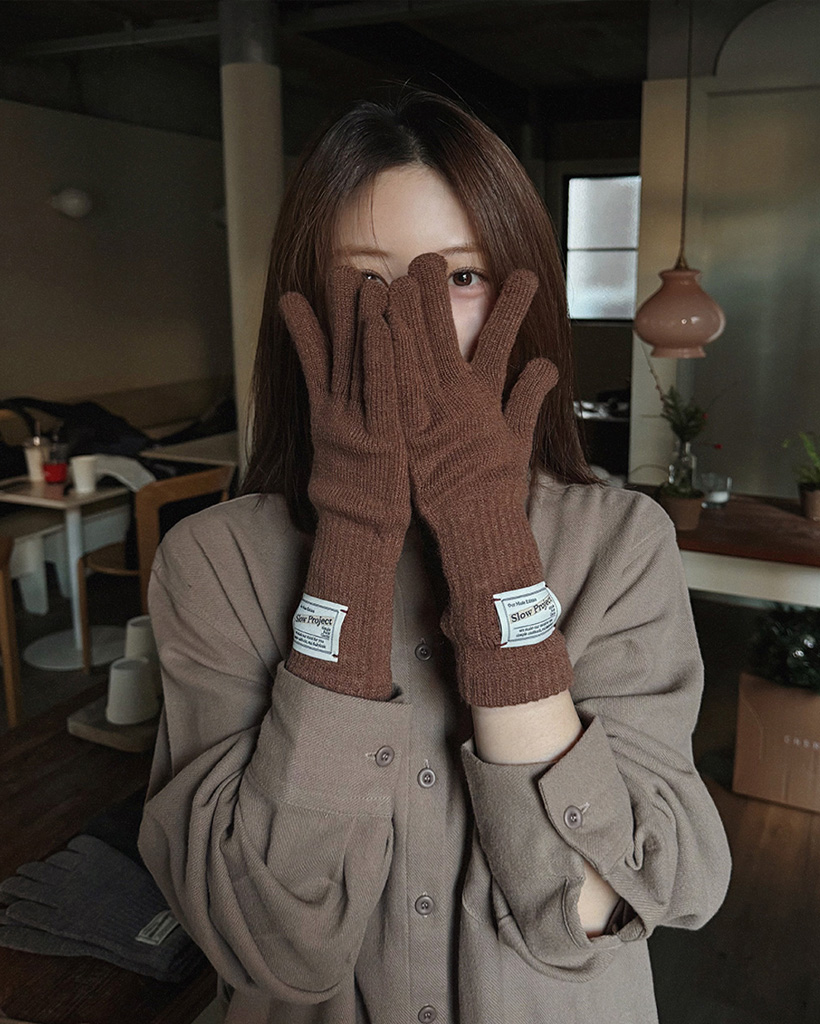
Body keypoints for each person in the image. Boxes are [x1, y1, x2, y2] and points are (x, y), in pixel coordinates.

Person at [138, 89, 731, 1024]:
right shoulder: (213, 562)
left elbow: (598, 911)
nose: (412, 324)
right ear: (307, 311)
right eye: (367, 285)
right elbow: (270, 944)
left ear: (518, 297)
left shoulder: (621, 543)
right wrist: (351, 547)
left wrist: (490, 549)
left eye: (458, 276)